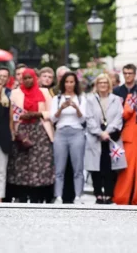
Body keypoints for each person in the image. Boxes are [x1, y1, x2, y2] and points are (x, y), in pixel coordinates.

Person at [8, 68, 54, 203]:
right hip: (22, 131)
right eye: (25, 78)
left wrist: (38, 114)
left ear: (35, 78)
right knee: (21, 164)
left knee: (41, 164)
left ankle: (38, 196)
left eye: (30, 78)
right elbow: (11, 113)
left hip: (40, 130)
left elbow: (52, 111)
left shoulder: (44, 92)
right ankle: (22, 195)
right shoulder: (15, 93)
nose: (28, 80)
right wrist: (20, 117)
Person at [85, 74, 125, 204]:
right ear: (97, 85)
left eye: (105, 82)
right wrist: (99, 133)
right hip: (96, 138)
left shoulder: (116, 99)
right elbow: (89, 118)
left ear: (109, 85)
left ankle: (108, 193)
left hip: (111, 137)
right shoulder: (90, 100)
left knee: (110, 167)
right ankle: (98, 194)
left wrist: (107, 132)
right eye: (100, 82)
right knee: (96, 167)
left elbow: (119, 118)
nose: (103, 85)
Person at [50, 72, 87, 204]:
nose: (69, 85)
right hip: (61, 132)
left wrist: (76, 107)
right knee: (59, 167)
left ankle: (78, 196)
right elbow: (53, 118)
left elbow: (83, 119)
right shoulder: (57, 99)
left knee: (78, 167)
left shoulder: (81, 98)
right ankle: (58, 196)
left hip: (77, 132)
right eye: (67, 82)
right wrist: (61, 108)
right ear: (63, 83)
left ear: (75, 83)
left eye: (72, 82)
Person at [114, 83, 137, 205]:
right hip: (131, 136)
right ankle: (122, 197)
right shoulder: (132, 96)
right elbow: (124, 114)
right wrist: (132, 104)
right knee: (127, 170)